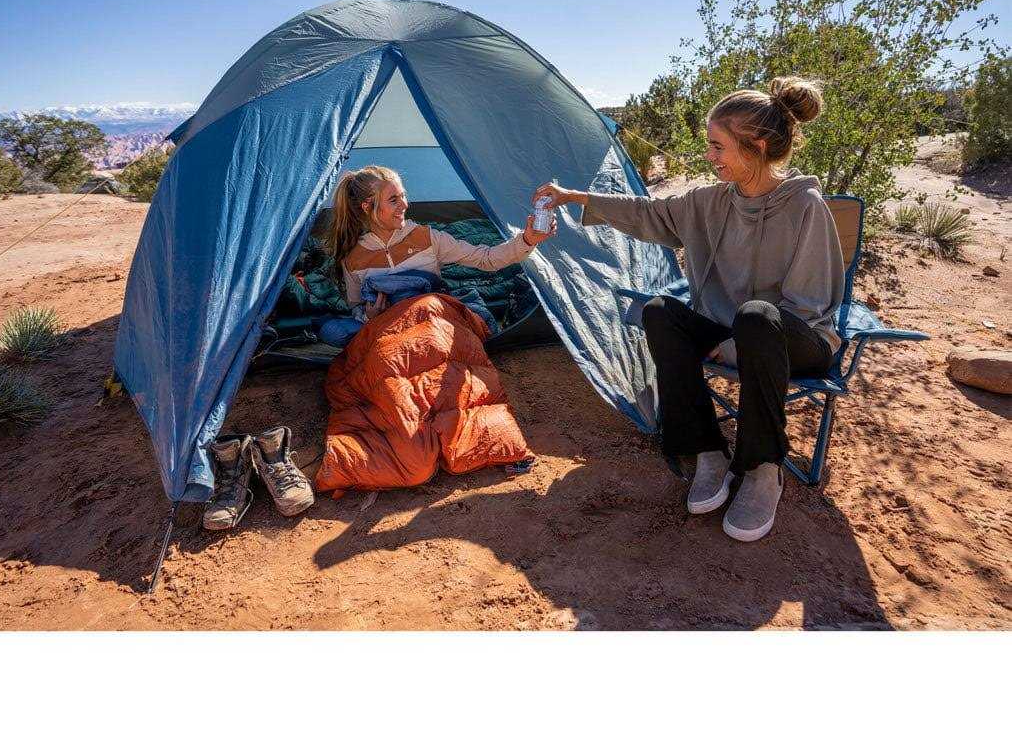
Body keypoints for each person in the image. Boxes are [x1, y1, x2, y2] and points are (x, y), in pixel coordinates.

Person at [535, 76, 844, 542]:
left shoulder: (805, 205)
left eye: (718, 146)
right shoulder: (709, 201)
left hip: (794, 339)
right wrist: (574, 197)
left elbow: (808, 303)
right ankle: (707, 450)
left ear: (758, 146)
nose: (709, 155)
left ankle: (762, 468)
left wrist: (734, 347)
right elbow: (648, 212)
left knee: (757, 316)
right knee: (660, 311)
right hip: (730, 331)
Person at [325, 165, 555, 316]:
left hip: (433, 321)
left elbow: (486, 259)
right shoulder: (353, 258)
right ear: (367, 207)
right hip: (388, 332)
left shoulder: (427, 237)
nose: (405, 205)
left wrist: (527, 240)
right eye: (393, 200)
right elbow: (356, 305)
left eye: (404, 196)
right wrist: (369, 316)